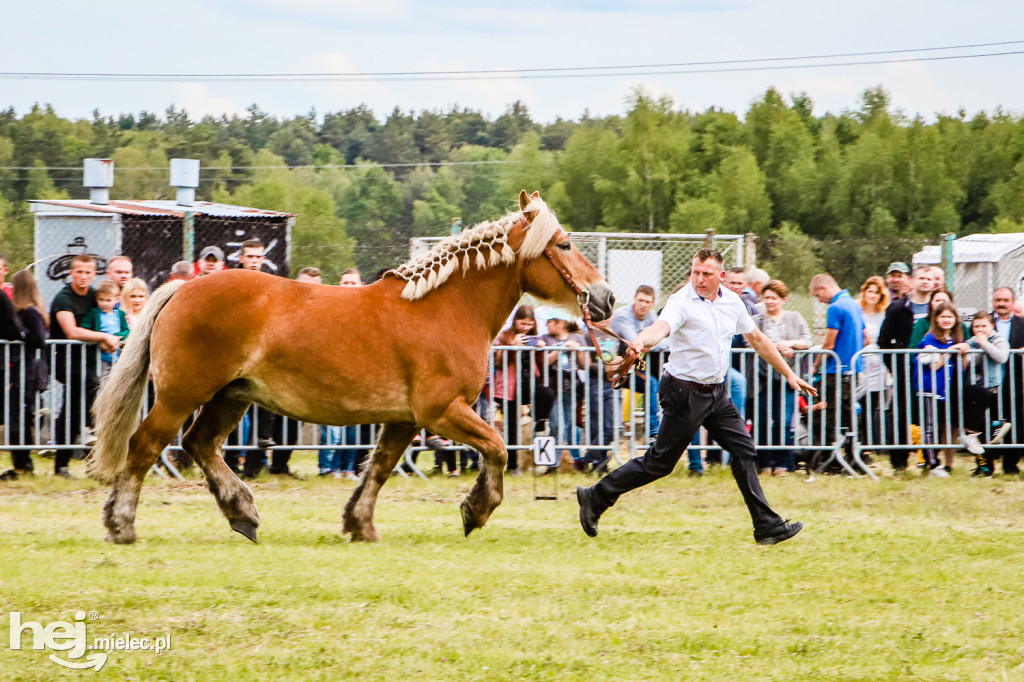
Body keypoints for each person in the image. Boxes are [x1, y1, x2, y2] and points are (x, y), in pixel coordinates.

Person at [576, 248, 815, 545]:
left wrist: (789, 374)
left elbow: (758, 339)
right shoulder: (681, 301)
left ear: (721, 276)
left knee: (744, 450)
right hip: (683, 393)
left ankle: (766, 526)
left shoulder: (733, 302)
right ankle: (596, 496)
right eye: (695, 272)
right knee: (659, 464)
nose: (699, 279)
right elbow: (659, 328)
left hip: (716, 393)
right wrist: (640, 341)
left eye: (706, 274)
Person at [49, 254, 120, 478]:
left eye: (88, 272)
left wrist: (115, 337)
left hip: (89, 361)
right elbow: (71, 331)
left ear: (93, 274)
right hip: (64, 360)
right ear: (71, 273)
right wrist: (103, 337)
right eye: (79, 272)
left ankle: (68, 462)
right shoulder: (63, 298)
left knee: (75, 408)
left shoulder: (93, 296)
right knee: (86, 391)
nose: (83, 276)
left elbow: (112, 313)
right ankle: (86, 435)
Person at [877, 264, 935, 472]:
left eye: (929, 278)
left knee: (931, 415)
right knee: (901, 415)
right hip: (906, 372)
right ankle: (899, 463)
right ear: (912, 280)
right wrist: (895, 366)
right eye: (921, 278)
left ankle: (931, 461)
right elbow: (883, 341)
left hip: (933, 372)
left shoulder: (938, 307)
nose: (925, 282)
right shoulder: (898, 308)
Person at [753, 279, 810, 476]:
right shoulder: (756, 320)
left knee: (784, 421)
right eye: (766, 297)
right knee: (762, 421)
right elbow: (750, 341)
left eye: (773, 298)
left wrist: (791, 344)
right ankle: (765, 464)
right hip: (762, 378)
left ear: (783, 299)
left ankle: (783, 464)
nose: (769, 301)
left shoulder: (795, 318)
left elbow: (807, 340)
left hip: (787, 377)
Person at [809, 274, 865, 467]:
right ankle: (854, 458)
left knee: (823, 415)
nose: (819, 300)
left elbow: (829, 343)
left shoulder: (835, 307)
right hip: (853, 370)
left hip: (835, 372)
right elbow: (866, 338)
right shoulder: (854, 304)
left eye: (817, 294)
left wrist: (815, 366)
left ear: (824, 288)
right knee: (849, 416)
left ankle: (823, 461)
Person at [493, 305, 552, 473]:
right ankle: (512, 466)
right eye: (522, 323)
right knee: (511, 426)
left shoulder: (534, 337)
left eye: (529, 324)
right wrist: (513, 346)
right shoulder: (505, 336)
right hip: (508, 388)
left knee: (547, 395)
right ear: (515, 321)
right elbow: (499, 363)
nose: (525, 328)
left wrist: (540, 349)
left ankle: (538, 427)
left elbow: (540, 365)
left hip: (528, 383)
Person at [1, 270, 47, 479]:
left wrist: (21, 336)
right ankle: (20, 463)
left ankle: (23, 464)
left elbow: (38, 338)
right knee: (15, 417)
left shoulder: (30, 312)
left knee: (19, 418)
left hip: (26, 372)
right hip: (20, 371)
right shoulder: (20, 312)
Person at [915, 302, 966, 476]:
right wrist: (949, 352)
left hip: (950, 388)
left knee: (949, 426)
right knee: (930, 426)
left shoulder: (957, 338)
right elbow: (934, 365)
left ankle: (947, 464)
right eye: (943, 316)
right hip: (932, 388)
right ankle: (933, 463)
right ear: (936, 319)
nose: (946, 320)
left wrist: (964, 350)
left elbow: (963, 365)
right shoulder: (929, 339)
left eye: (950, 316)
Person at [609, 285, 665, 443]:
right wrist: (649, 342)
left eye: (647, 301)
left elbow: (665, 341)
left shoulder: (652, 317)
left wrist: (649, 343)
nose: (643, 304)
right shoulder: (622, 316)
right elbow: (634, 341)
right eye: (640, 300)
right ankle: (652, 432)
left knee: (653, 384)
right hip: (614, 369)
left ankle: (653, 433)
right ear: (634, 299)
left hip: (634, 370)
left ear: (653, 303)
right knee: (651, 383)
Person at [959, 312, 1010, 476]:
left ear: (992, 326)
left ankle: (998, 426)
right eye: (976, 326)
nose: (980, 330)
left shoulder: (998, 339)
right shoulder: (972, 341)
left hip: (992, 389)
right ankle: (983, 466)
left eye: (984, 326)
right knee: (978, 432)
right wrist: (966, 350)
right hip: (976, 391)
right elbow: (969, 364)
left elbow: (1002, 357)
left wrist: (985, 344)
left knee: (985, 431)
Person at [541, 310, 589, 468]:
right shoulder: (545, 339)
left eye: (549, 321)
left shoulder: (578, 337)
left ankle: (561, 462)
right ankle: (552, 463)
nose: (546, 324)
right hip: (552, 388)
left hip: (572, 387)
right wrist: (559, 349)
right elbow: (543, 363)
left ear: (560, 323)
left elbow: (584, 365)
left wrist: (578, 350)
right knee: (555, 424)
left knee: (568, 424)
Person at [857, 276, 891, 459]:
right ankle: (857, 445)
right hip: (860, 363)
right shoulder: (858, 311)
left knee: (872, 406)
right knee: (858, 405)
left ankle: (868, 448)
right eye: (869, 291)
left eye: (876, 292)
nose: (872, 295)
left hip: (878, 366)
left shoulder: (884, 314)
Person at [991, 287, 1024, 474]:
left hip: (1015, 382)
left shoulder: (1022, 323)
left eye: (1005, 300)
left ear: (1012, 303)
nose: (1001, 303)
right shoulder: (985, 321)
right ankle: (985, 464)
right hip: (991, 382)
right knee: (989, 422)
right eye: (998, 300)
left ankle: (1010, 464)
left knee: (1015, 423)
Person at [80, 281, 130, 376]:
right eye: (101, 300)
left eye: (108, 300)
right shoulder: (93, 313)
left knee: (116, 382)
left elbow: (126, 331)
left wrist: (116, 337)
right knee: (101, 383)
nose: (104, 303)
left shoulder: (120, 314)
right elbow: (85, 328)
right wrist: (101, 338)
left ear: (116, 299)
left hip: (116, 357)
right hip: (99, 358)